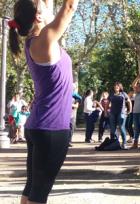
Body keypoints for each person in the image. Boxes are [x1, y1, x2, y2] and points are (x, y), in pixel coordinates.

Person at [8, 0, 79, 203]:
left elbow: (46, 5)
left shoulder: (36, 40)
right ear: (38, 16)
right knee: (38, 195)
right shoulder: (45, 40)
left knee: (32, 190)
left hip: (40, 126)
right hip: (51, 129)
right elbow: (69, 7)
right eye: (45, 5)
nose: (50, 5)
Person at [109, 82, 132, 149]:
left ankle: (124, 143)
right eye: (115, 86)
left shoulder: (123, 94)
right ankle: (115, 143)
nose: (116, 87)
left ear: (120, 87)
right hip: (112, 113)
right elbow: (108, 103)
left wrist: (130, 110)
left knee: (121, 128)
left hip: (121, 113)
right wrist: (106, 111)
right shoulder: (111, 94)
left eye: (117, 86)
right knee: (113, 129)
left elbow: (129, 102)